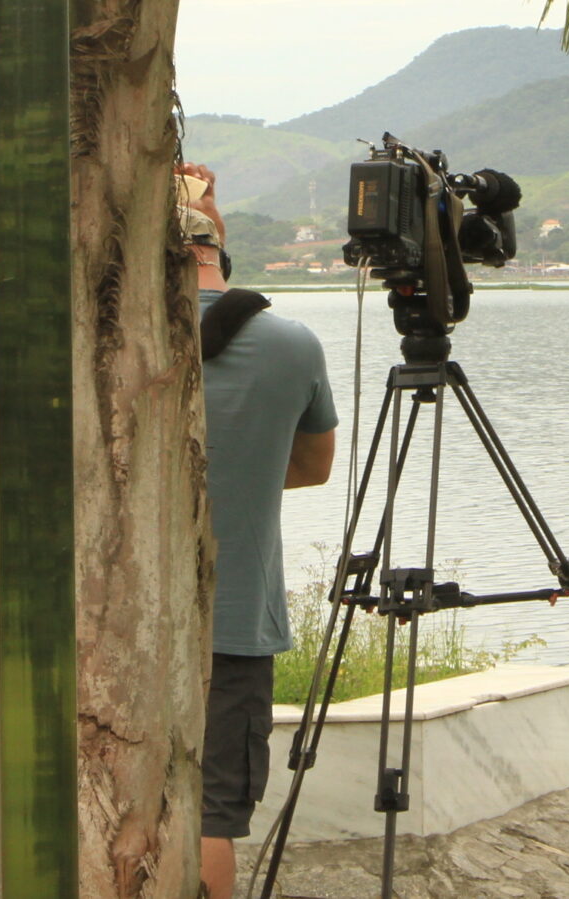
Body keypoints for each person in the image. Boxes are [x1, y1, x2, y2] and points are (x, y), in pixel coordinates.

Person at [182, 162, 338, 899]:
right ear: (216, 240)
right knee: (212, 810)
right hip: (234, 621)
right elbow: (312, 466)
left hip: (108, 622)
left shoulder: (107, 339)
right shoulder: (291, 343)